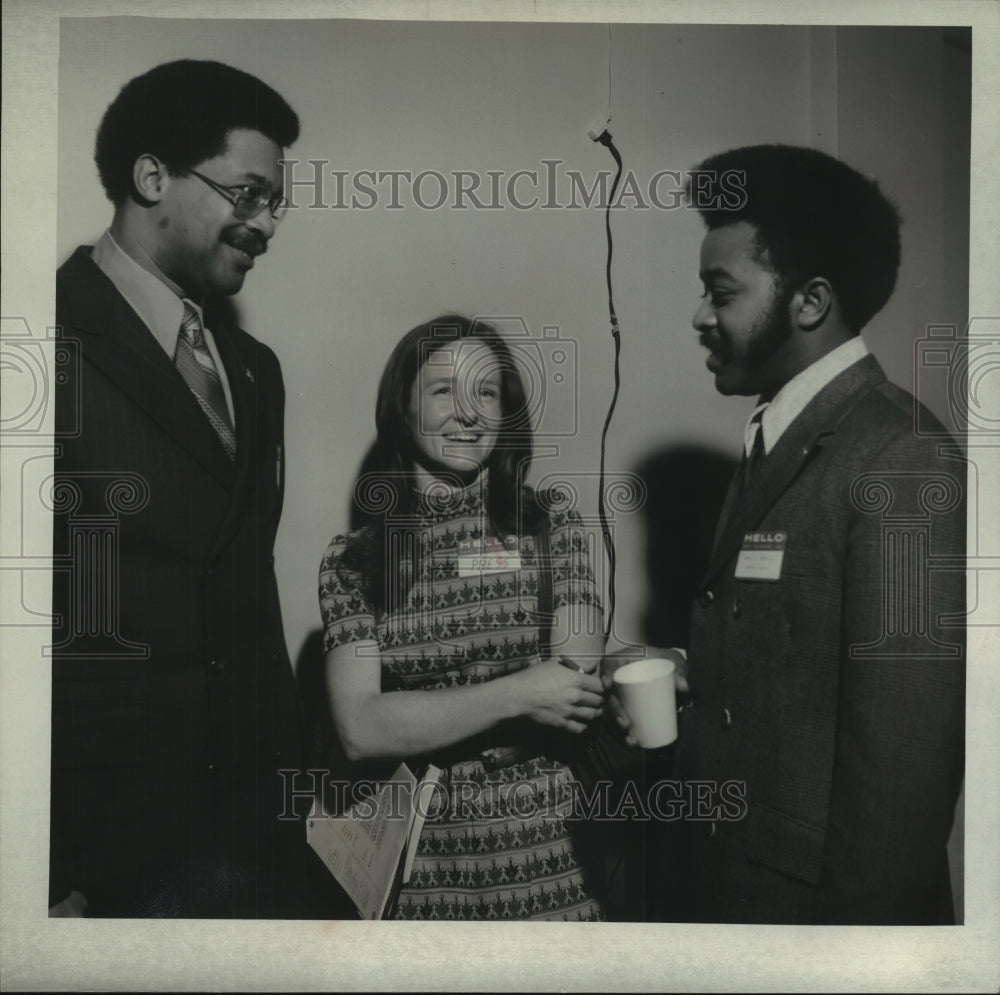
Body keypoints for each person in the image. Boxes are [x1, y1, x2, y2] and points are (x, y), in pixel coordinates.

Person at [49, 59, 338, 918]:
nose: (267, 224)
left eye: (276, 203)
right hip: (104, 852)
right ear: (151, 177)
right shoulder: (37, 336)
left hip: (253, 837)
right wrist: (42, 870)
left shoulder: (255, 370)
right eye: (248, 194)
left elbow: (243, 583)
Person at [672, 144, 966, 923]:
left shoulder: (901, 457)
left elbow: (900, 797)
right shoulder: (779, 434)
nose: (700, 316)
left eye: (720, 292)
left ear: (810, 302)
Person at [318, 314, 609, 921]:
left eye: (487, 392)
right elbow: (361, 728)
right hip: (422, 862)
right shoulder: (352, 561)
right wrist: (518, 694)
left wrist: (425, 714)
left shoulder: (553, 524)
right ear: (403, 409)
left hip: (549, 843)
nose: (469, 412)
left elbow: (573, 685)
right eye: (443, 390)